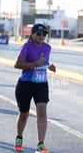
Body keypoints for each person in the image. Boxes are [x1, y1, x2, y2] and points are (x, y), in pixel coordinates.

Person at [13, 24, 56, 153]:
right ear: (32, 35)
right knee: (24, 114)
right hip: (26, 84)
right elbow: (17, 64)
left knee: (42, 112)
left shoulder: (47, 48)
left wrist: (49, 66)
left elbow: (42, 59)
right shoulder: (26, 47)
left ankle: (40, 144)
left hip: (41, 83)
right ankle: (19, 137)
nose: (42, 36)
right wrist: (32, 64)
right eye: (39, 34)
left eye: (44, 34)